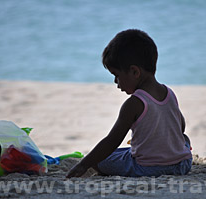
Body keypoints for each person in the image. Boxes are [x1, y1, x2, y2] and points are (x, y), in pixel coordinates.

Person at [66, 29, 192, 178]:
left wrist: (83, 164)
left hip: (149, 169)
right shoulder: (169, 93)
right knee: (183, 140)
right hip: (182, 164)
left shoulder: (134, 104)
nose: (115, 82)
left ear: (134, 72)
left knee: (100, 159)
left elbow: (111, 141)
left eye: (117, 76)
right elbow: (180, 126)